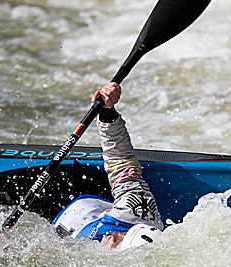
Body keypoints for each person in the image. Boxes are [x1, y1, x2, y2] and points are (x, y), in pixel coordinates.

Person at [51, 82, 164, 250]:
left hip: (55, 227)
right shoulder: (138, 211)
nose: (115, 236)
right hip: (73, 193)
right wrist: (107, 113)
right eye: (124, 233)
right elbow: (121, 160)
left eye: (118, 242)